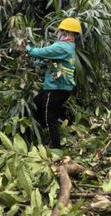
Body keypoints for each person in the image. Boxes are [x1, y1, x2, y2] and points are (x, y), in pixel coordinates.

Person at [26, 18, 80, 149]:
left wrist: (27, 48)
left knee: (49, 118)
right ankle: (43, 137)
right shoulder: (69, 46)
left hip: (56, 88)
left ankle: (55, 148)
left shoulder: (62, 46)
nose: (58, 33)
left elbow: (42, 52)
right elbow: (50, 59)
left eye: (60, 31)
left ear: (65, 32)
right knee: (36, 104)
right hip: (60, 87)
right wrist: (38, 63)